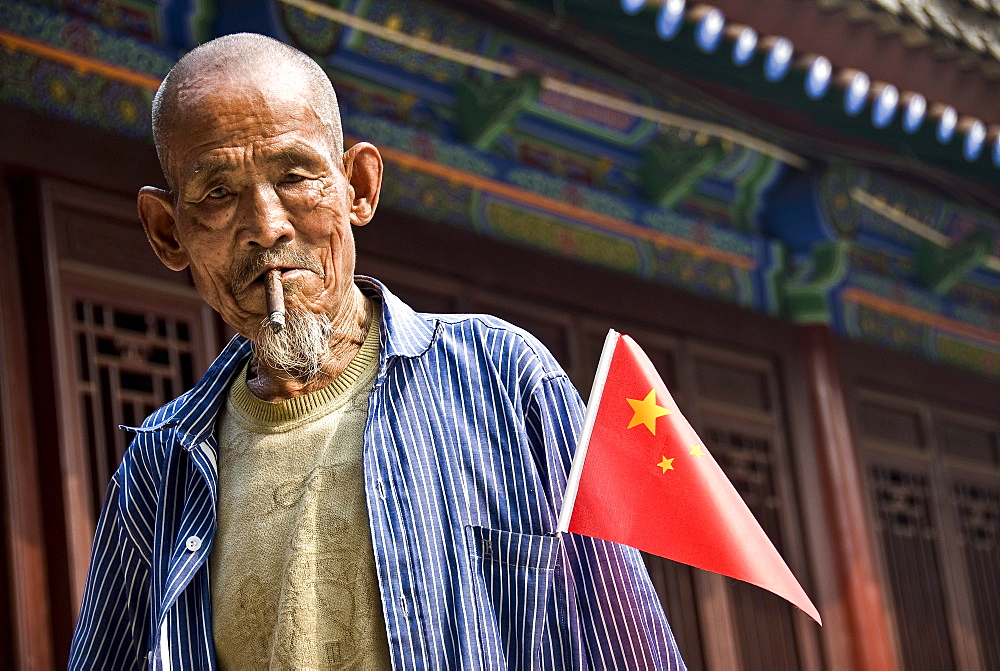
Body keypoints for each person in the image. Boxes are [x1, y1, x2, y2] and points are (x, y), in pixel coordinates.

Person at [68, 33, 686, 670]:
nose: (266, 225)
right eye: (218, 194)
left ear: (357, 187)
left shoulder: (502, 379)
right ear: (170, 234)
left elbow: (628, 646)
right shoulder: (160, 466)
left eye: (295, 176)